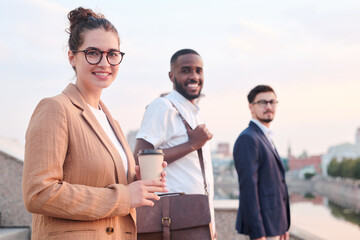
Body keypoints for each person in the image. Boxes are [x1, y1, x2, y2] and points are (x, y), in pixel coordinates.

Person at [22, 7, 167, 240]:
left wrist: (134, 179)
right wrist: (124, 197)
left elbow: (98, 178)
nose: (104, 62)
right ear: (72, 57)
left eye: (112, 54)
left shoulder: (111, 122)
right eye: (92, 53)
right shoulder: (55, 108)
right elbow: (39, 192)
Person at [133, 49, 216, 238]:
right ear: (172, 76)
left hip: (197, 219)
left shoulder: (193, 111)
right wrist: (192, 145)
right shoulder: (163, 106)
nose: (194, 76)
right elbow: (139, 161)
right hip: (173, 220)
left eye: (198, 70)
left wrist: (211, 226)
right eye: (186, 70)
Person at [233, 85, 290, 240]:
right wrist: (258, 234)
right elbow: (249, 191)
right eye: (263, 102)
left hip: (274, 226)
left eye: (272, 102)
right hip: (262, 231)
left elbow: (276, 186)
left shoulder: (265, 136)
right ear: (251, 107)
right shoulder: (248, 139)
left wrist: (283, 225)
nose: (269, 107)